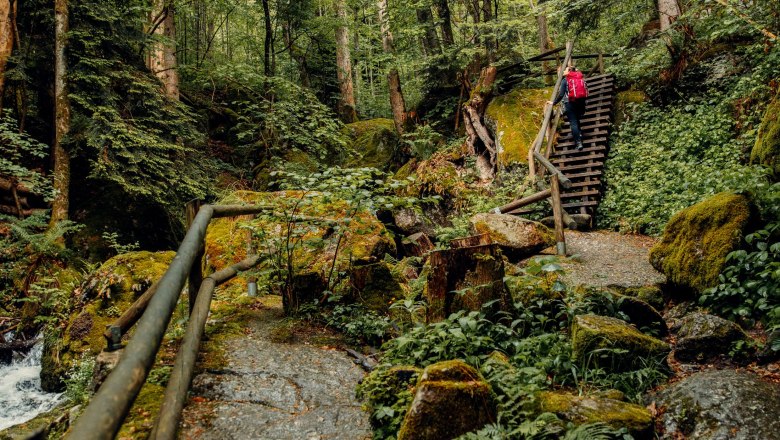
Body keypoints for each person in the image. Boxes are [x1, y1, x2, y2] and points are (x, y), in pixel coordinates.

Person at [549, 65, 587, 150]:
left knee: (573, 122)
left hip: (569, 103)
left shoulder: (565, 80)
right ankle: (579, 133)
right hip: (580, 102)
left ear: (568, 71)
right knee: (577, 119)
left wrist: (554, 102)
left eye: (564, 70)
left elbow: (561, 94)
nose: (562, 72)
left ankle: (578, 142)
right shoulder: (580, 78)